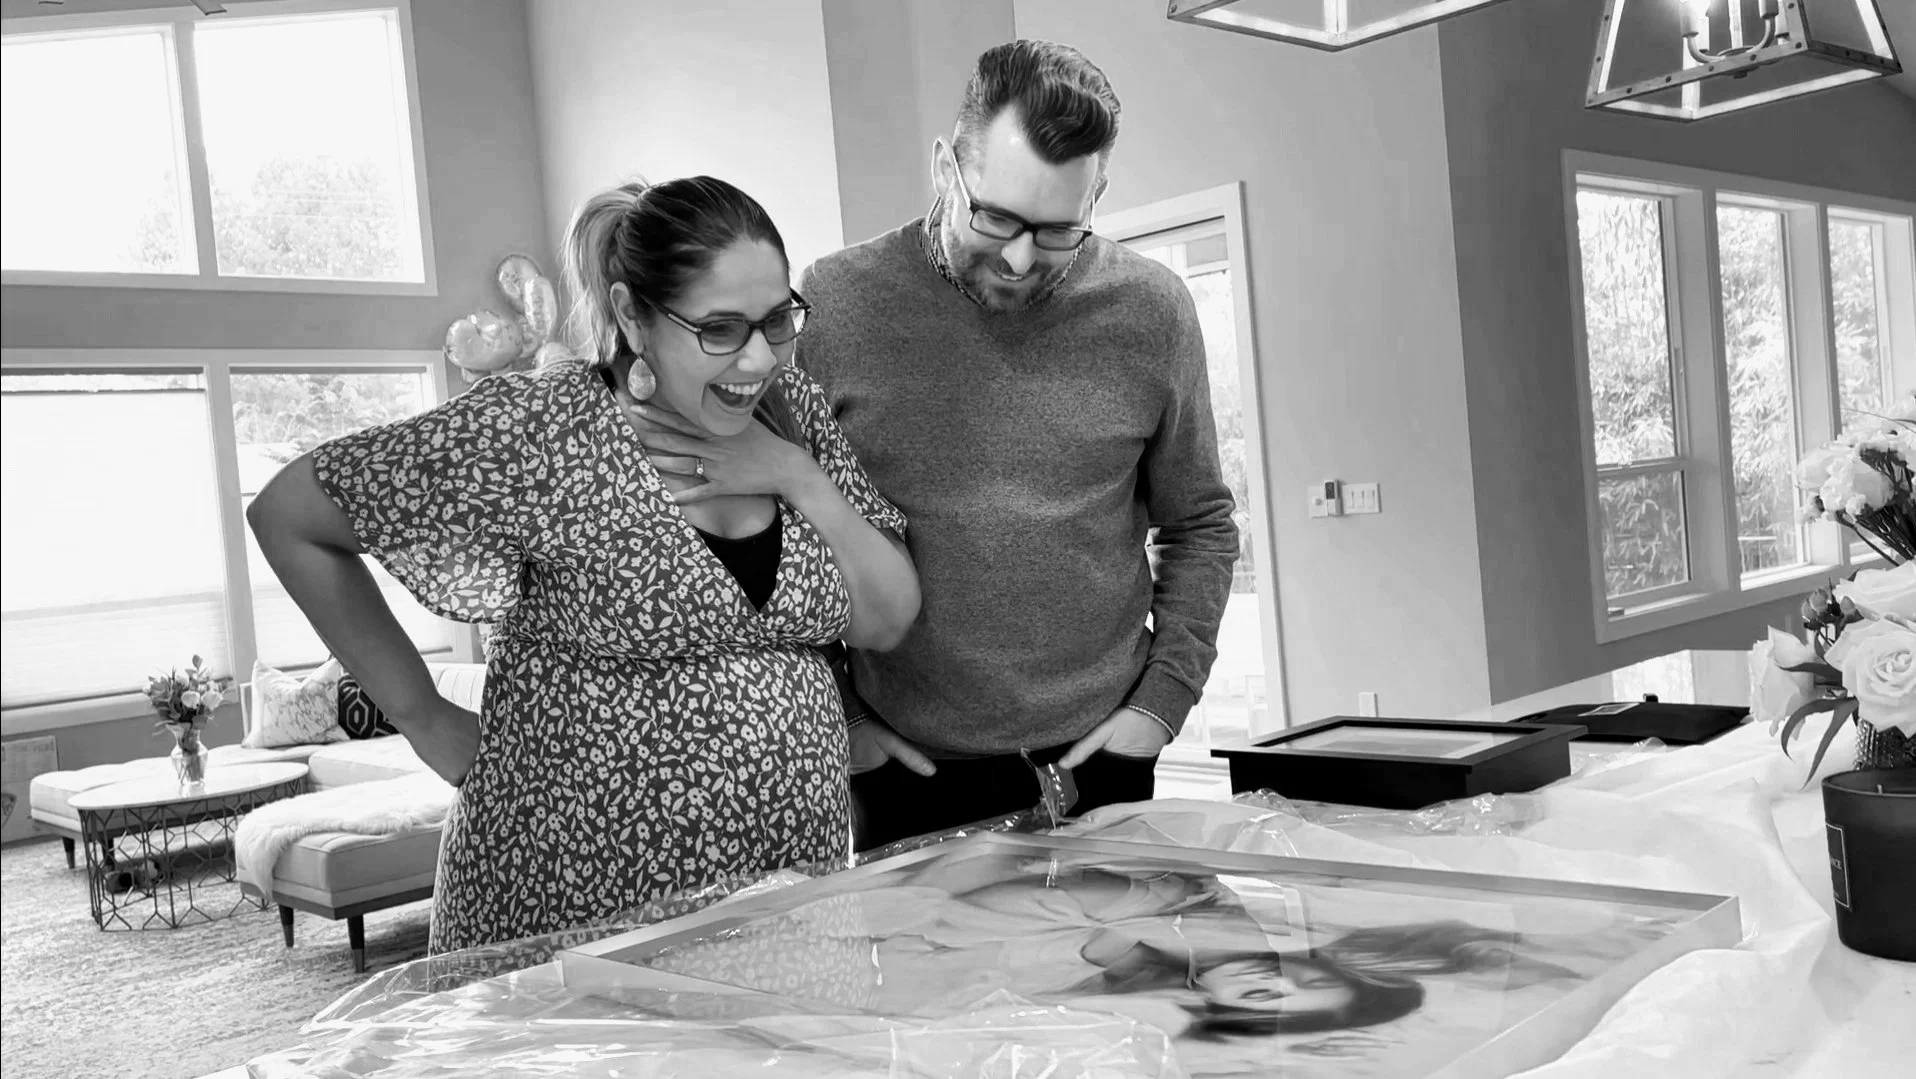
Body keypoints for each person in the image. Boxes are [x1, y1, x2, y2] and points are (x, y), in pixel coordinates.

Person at [246, 175, 920, 953]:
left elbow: (889, 618)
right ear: (633, 313)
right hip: (573, 895)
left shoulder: (792, 412)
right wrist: (424, 717)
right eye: (722, 328)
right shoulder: (545, 430)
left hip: (782, 894)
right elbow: (290, 515)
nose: (760, 356)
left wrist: (797, 476)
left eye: (777, 319)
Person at [791, 39, 1239, 848]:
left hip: (1104, 755)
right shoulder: (834, 305)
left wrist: (1160, 703)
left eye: (1060, 229)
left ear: (1097, 193)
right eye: (996, 217)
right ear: (944, 169)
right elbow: (797, 538)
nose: (1023, 257)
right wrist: (843, 716)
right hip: (907, 770)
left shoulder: (1153, 311)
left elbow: (1200, 523)